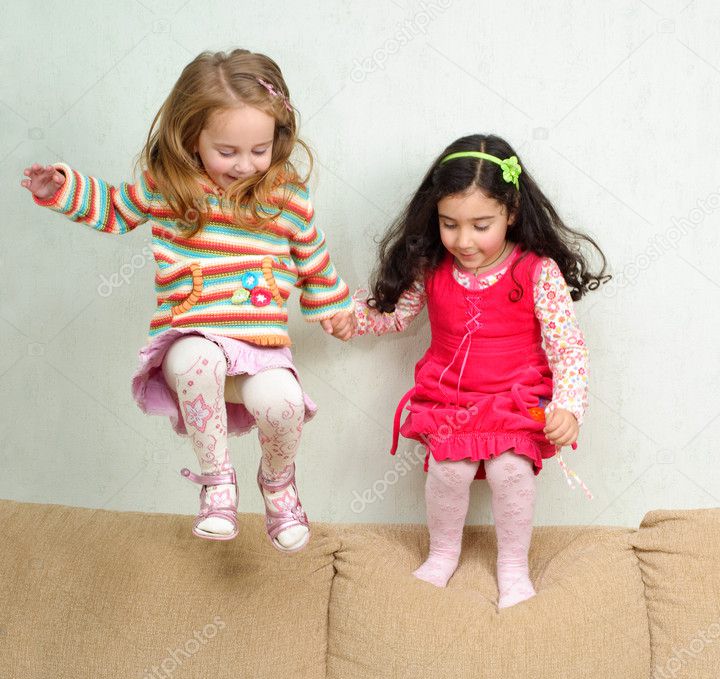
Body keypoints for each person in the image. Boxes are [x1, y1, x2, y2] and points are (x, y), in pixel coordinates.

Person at [22, 48, 354, 550]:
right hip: (191, 330)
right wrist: (63, 191)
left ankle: (279, 484)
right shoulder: (170, 186)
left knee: (283, 404)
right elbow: (115, 209)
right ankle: (217, 482)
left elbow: (313, 257)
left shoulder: (287, 195)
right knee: (198, 358)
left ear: (277, 138)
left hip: (259, 344)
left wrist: (333, 307)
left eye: (259, 150)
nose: (245, 165)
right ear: (189, 136)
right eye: (227, 151)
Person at [351, 134, 609, 608]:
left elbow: (568, 347)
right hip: (451, 400)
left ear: (511, 212)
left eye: (480, 225)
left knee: (511, 470)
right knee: (448, 471)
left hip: (517, 400)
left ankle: (512, 565)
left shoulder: (537, 271)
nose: (463, 240)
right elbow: (397, 314)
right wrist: (349, 317)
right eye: (449, 224)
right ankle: (443, 553)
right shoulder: (432, 268)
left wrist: (568, 406)